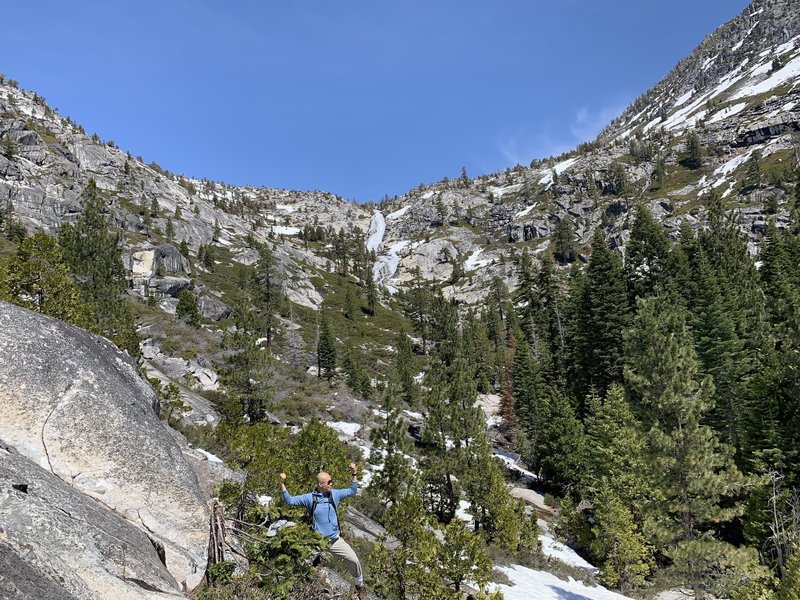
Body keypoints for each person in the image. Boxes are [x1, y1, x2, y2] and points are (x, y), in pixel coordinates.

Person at [280, 462, 366, 599]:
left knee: (354, 561)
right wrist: (282, 484)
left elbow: (352, 490)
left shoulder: (334, 495)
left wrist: (354, 473)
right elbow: (290, 501)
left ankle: (360, 588)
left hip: (334, 540)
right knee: (302, 564)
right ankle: (294, 588)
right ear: (320, 485)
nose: (332, 484)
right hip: (316, 541)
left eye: (332, 481)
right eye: (329, 482)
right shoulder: (310, 498)